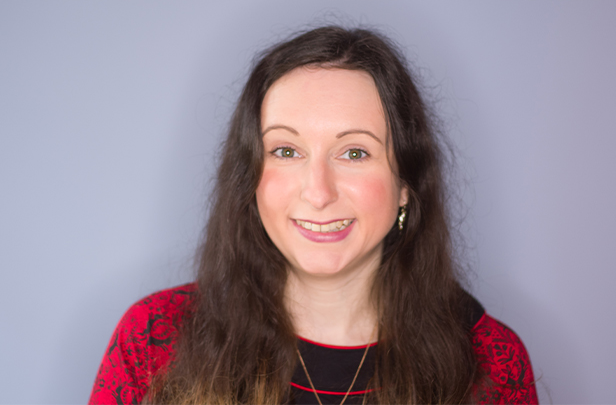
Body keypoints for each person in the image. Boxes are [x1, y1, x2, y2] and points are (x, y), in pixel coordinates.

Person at [89, 26, 538, 404]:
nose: (318, 192)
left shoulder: (490, 362)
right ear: (251, 180)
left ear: (406, 185)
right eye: (286, 151)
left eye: (354, 152)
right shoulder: (153, 341)